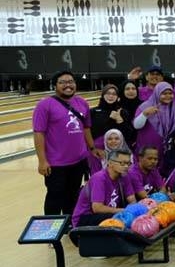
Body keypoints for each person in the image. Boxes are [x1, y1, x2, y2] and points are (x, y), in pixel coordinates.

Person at [34, 71, 98, 215]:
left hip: (79, 160)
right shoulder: (44, 105)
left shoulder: (82, 103)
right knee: (55, 197)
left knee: (73, 196)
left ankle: (69, 225)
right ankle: (51, 230)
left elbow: (86, 128)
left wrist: (92, 148)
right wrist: (42, 161)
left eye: (71, 81)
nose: (68, 85)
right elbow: (39, 133)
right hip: (56, 163)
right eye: (62, 82)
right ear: (55, 86)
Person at [70, 148, 137, 228]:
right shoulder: (99, 178)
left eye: (128, 163)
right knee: (120, 218)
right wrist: (121, 211)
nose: (126, 166)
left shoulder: (124, 176)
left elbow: (132, 200)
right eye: (122, 163)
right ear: (110, 162)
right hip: (84, 218)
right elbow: (97, 208)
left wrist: (134, 211)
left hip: (107, 214)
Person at [90, 84, 131, 175]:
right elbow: (89, 133)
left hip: (118, 152)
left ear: (118, 97)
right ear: (103, 95)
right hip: (98, 153)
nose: (111, 96)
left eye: (114, 94)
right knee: (99, 178)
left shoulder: (122, 112)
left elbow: (129, 135)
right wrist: (93, 149)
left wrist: (119, 120)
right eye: (108, 93)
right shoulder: (93, 112)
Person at [133, 81, 175, 162]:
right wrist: (144, 114)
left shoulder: (173, 108)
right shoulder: (145, 106)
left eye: (170, 93)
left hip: (165, 148)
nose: (168, 96)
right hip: (147, 147)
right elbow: (136, 126)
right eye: (164, 93)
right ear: (157, 93)